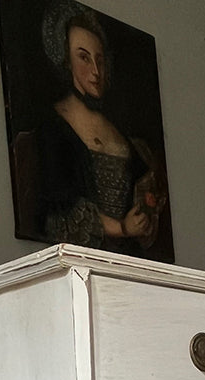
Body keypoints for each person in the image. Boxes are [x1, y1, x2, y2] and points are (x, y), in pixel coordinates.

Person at [36, 1, 166, 252]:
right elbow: (61, 205)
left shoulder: (116, 128)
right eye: (84, 58)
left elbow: (146, 186)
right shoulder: (55, 127)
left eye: (100, 60)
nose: (95, 71)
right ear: (66, 60)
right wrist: (122, 228)